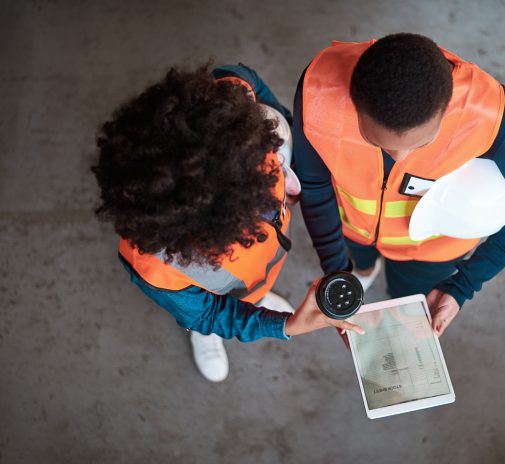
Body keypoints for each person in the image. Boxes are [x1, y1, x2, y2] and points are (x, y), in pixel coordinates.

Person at [92, 63, 363, 382]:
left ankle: (257, 297)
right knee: (209, 312)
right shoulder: (155, 266)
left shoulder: (242, 131)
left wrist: (277, 127)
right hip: (217, 294)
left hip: (259, 269)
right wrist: (280, 325)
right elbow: (207, 311)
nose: (275, 187)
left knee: (255, 289)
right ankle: (204, 334)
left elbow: (245, 80)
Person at [293, 33, 505, 336]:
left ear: (446, 110)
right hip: (351, 227)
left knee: (406, 300)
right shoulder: (319, 92)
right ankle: (363, 270)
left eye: (421, 143)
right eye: (375, 141)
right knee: (359, 263)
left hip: (429, 252)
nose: (400, 157)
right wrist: (336, 271)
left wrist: (463, 284)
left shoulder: (486, 113)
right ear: (355, 103)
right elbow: (313, 183)